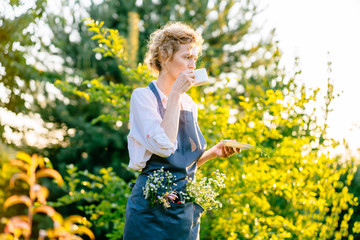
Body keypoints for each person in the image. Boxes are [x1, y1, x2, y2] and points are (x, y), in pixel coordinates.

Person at [123, 22, 240, 240]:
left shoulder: (189, 104)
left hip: (183, 211)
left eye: (195, 58)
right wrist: (175, 94)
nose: (192, 64)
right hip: (150, 211)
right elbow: (165, 148)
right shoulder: (143, 98)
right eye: (186, 57)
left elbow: (182, 164)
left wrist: (213, 152)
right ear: (165, 57)